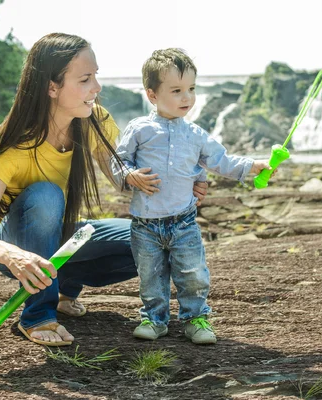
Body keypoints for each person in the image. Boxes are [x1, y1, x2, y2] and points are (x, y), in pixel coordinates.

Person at [0, 34, 208, 347]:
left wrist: (185, 181)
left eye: (96, 77)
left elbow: (128, 174)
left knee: (147, 240)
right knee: (46, 195)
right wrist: (13, 256)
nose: (97, 88)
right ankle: (38, 315)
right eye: (86, 79)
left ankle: (66, 283)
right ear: (52, 87)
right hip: (14, 249)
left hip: (59, 238)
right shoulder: (15, 146)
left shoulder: (94, 120)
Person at [112, 48, 273, 345]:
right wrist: (129, 175)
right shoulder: (139, 129)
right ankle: (154, 318)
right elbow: (118, 162)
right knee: (151, 277)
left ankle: (195, 318)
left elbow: (221, 160)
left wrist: (252, 165)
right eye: (176, 90)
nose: (187, 98)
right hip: (145, 224)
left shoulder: (196, 134)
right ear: (152, 95)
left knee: (193, 274)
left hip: (183, 221)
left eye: (191, 89)